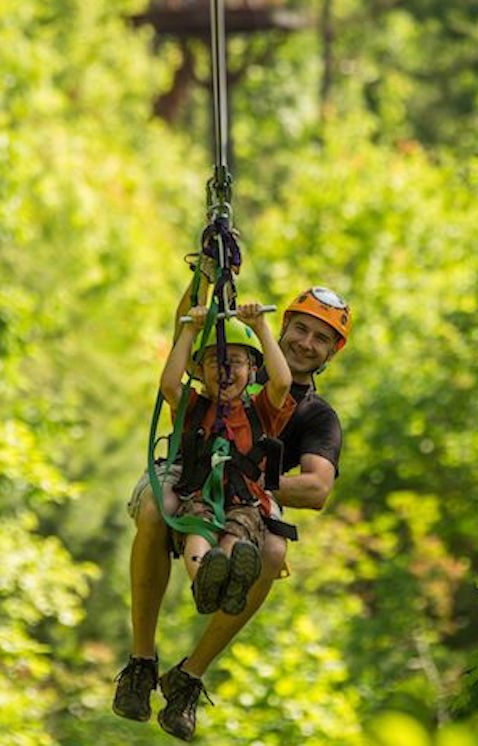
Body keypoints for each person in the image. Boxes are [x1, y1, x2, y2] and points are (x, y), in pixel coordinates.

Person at [115, 284, 352, 741]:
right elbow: (183, 337)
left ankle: (188, 678)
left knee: (274, 552)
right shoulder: (235, 355)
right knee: (154, 508)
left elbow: (318, 486)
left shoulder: (316, 415)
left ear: (331, 352)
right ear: (283, 327)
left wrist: (245, 476)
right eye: (300, 329)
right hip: (188, 471)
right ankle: (141, 660)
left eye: (320, 339)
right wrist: (203, 277)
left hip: (247, 495)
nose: (306, 343)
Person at [159, 304, 292, 617]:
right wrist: (189, 330)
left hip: (244, 500)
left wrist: (260, 326)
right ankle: (203, 583)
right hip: (199, 495)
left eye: (235, 362)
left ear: (251, 370)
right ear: (201, 372)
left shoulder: (261, 410)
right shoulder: (193, 407)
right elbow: (168, 385)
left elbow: (283, 381)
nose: (225, 370)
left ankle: (231, 581)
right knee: (197, 529)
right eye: (214, 362)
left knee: (238, 536)